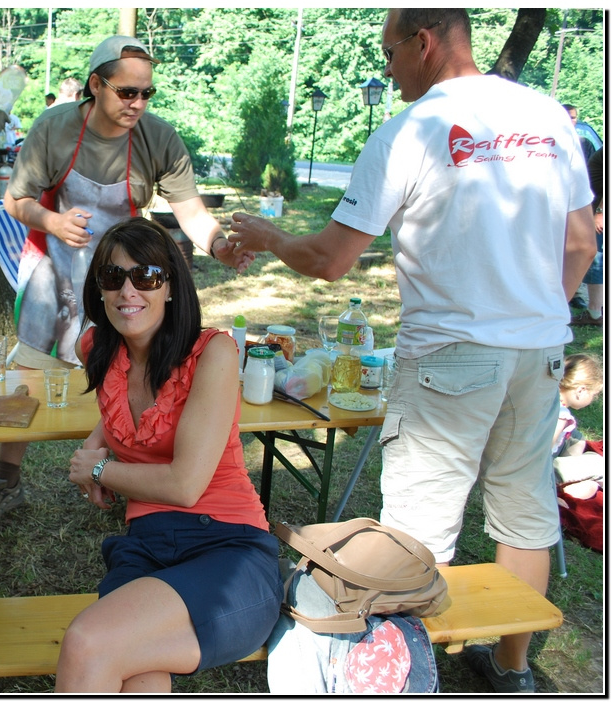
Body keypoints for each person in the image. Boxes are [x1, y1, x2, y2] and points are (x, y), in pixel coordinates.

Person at [227, 9, 595, 693]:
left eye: (389, 52)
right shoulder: (547, 116)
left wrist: (269, 238)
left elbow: (332, 259)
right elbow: (580, 245)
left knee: (417, 527)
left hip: (451, 354)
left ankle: (402, 675)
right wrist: (535, 314)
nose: (386, 68)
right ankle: (511, 671)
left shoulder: (410, 131)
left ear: (424, 42)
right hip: (539, 350)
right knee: (524, 514)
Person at [0, 35, 254, 530]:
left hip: (126, 286)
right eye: (127, 92)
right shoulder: (54, 130)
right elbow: (16, 201)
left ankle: (135, 476)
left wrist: (219, 245)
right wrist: (53, 221)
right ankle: (5, 481)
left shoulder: (158, 139)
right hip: (54, 274)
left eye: (147, 93)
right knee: (25, 383)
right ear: (95, 85)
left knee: (137, 378)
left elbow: (189, 211)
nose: (138, 104)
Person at [54, 217, 282, 692]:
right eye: (113, 277)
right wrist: (97, 441)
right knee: (139, 676)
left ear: (172, 287)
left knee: (86, 643)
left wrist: (98, 468)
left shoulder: (212, 353)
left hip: (226, 548)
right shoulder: (96, 346)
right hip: (145, 548)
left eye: (147, 277)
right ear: (100, 288)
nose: (127, 291)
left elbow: (184, 485)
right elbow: (125, 408)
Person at [571, 147, 604, 326]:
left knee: (594, 259)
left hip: (596, 211)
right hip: (591, 207)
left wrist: (600, 212)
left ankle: (594, 313)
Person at [552, 354, 603, 457]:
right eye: (594, 395)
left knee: (577, 436)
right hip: (533, 463)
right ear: (581, 390)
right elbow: (542, 450)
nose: (593, 399)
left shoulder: (546, 394)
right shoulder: (561, 416)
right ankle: (561, 471)